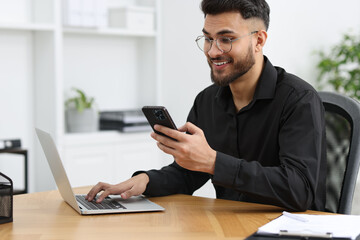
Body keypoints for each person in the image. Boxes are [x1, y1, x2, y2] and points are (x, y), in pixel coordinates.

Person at [87, 0, 327, 211]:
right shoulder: (207, 100)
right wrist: (144, 181)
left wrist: (213, 161)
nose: (213, 51)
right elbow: (189, 174)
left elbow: (299, 190)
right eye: (209, 39)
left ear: (259, 40)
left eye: (227, 39)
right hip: (228, 227)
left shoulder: (299, 99)